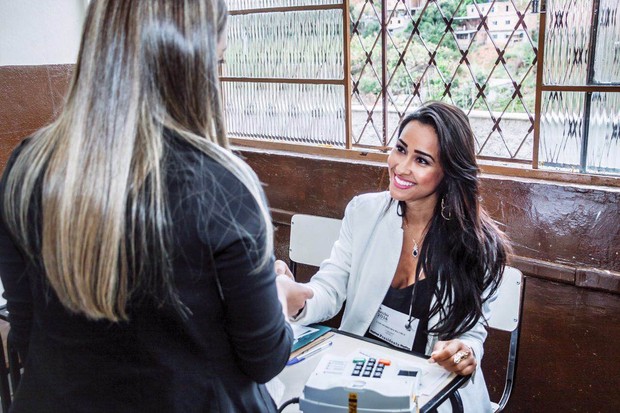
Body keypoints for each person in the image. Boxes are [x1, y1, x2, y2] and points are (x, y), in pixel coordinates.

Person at [0, 1, 293, 412]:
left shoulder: (26, 167)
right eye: (217, 61)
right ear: (192, 67)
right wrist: (277, 295)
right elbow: (265, 357)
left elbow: (27, 329)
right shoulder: (223, 186)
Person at [276, 101, 511, 412]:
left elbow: (472, 332)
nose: (401, 167)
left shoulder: (477, 246)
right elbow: (330, 288)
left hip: (431, 389)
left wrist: (464, 351)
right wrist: (300, 299)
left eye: (422, 161)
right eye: (400, 149)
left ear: (448, 172)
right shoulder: (364, 212)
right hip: (360, 376)